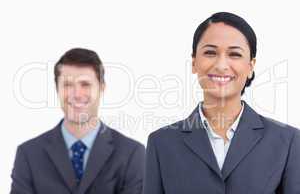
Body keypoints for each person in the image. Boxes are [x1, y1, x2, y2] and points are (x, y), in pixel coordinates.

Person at [143, 12, 300, 194]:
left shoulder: (288, 142)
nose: (221, 65)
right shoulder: (162, 143)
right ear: (194, 62)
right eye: (210, 52)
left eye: (234, 54)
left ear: (250, 66)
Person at [10, 48, 145, 194]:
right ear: (57, 89)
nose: (76, 94)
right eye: (67, 85)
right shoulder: (29, 154)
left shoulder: (132, 153)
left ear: (102, 88)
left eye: (85, 84)